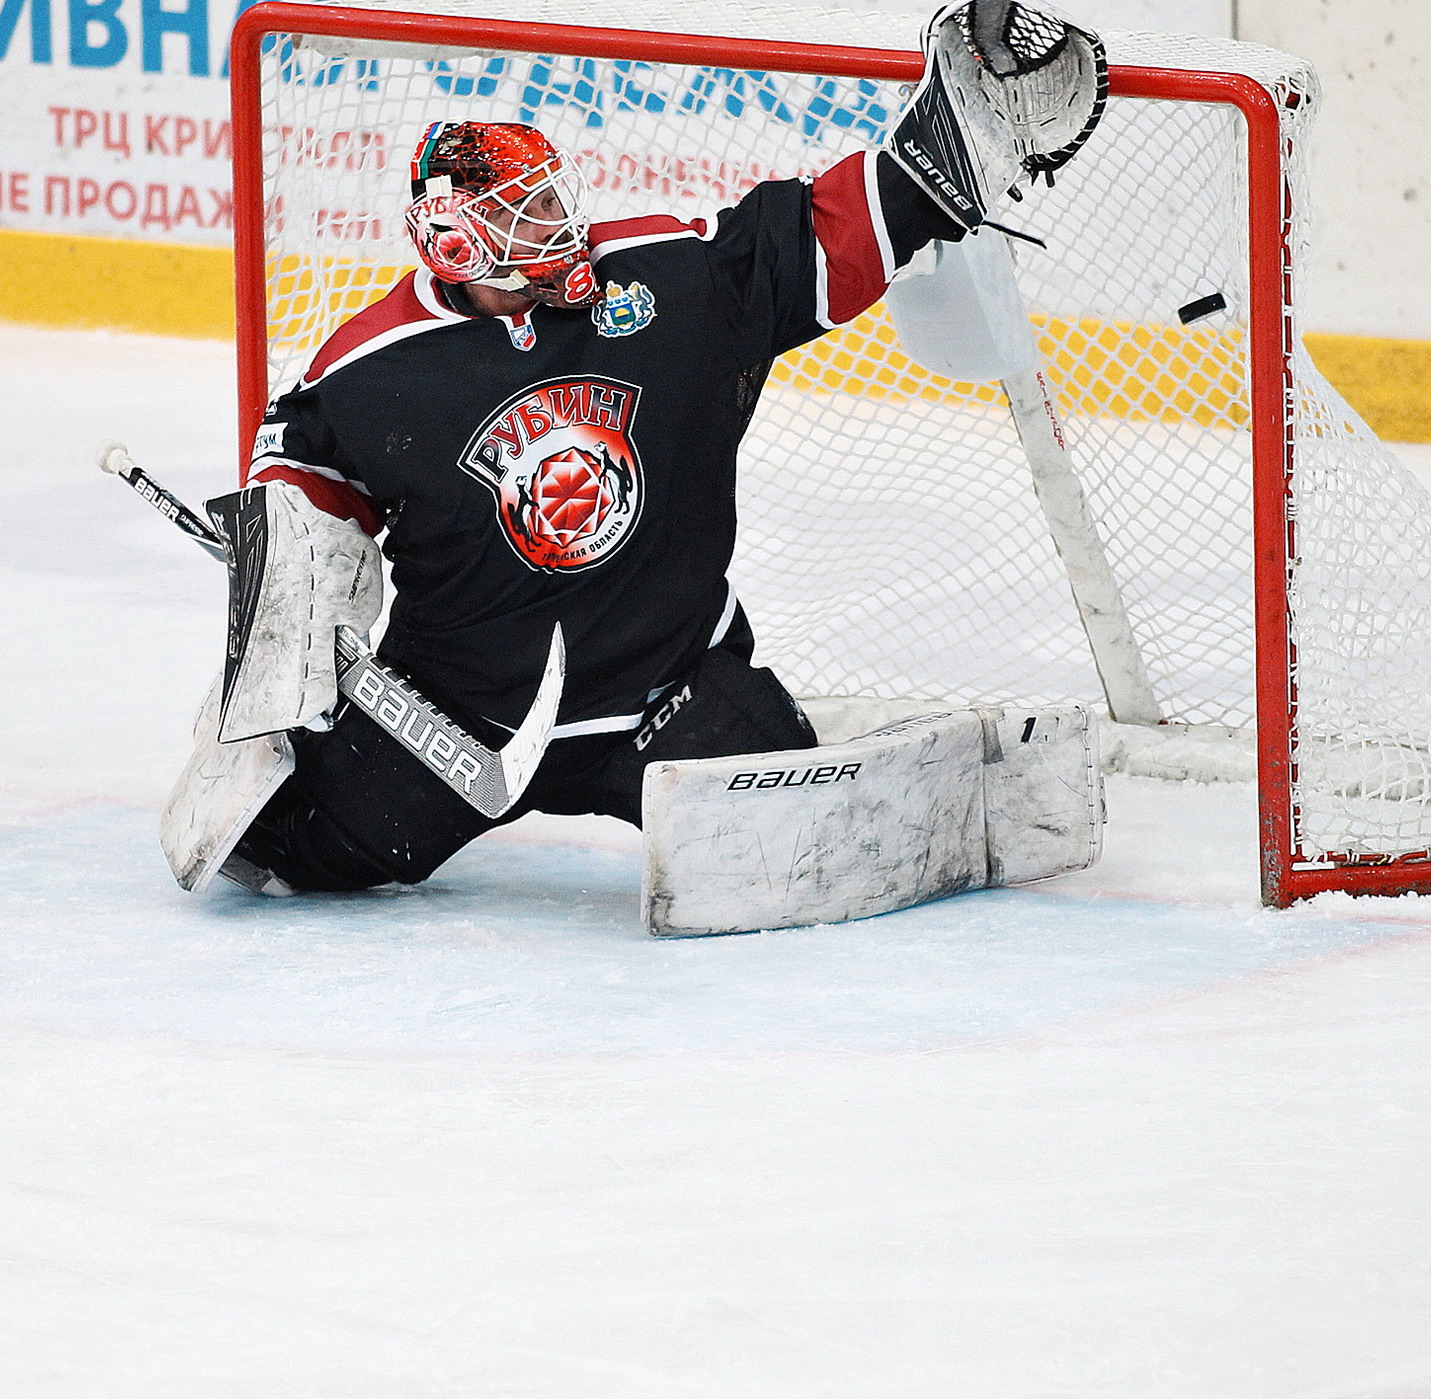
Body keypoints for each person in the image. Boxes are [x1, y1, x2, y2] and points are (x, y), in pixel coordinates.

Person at [165, 0, 1106, 897]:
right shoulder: (365, 376)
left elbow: (805, 242)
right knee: (279, 855)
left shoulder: (664, 281)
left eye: (552, 201)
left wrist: (937, 169)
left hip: (675, 693)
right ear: (453, 244)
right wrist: (284, 633)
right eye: (523, 218)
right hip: (459, 718)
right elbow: (300, 480)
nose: (557, 227)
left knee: (810, 840)